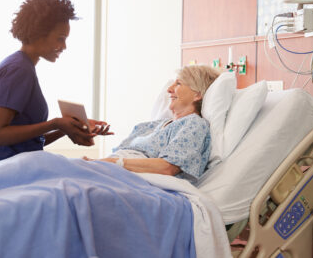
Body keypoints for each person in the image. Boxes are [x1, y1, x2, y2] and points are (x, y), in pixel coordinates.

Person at [0, 0, 112, 166]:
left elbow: (27, 144)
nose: (64, 46)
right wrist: (54, 123)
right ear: (39, 33)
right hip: (2, 170)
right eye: (60, 39)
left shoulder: (20, 66)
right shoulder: (19, 70)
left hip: (6, 166)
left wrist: (66, 128)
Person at [84, 65, 221, 183]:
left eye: (178, 84)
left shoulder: (194, 124)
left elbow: (168, 168)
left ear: (197, 94)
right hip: (111, 172)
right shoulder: (149, 126)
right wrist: (97, 163)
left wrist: (113, 163)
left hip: (133, 180)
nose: (169, 89)